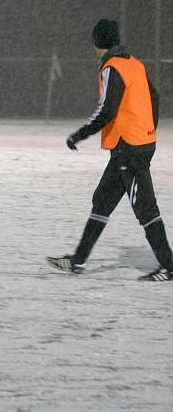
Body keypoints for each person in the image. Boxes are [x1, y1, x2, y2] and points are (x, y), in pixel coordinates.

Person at [47, 19, 172, 281]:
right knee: (102, 201)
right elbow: (155, 97)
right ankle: (77, 262)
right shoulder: (134, 63)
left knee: (145, 208)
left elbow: (107, 109)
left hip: (130, 148)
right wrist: (149, 129)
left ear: (96, 42)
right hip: (132, 145)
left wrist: (79, 135)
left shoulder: (111, 67)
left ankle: (170, 268)